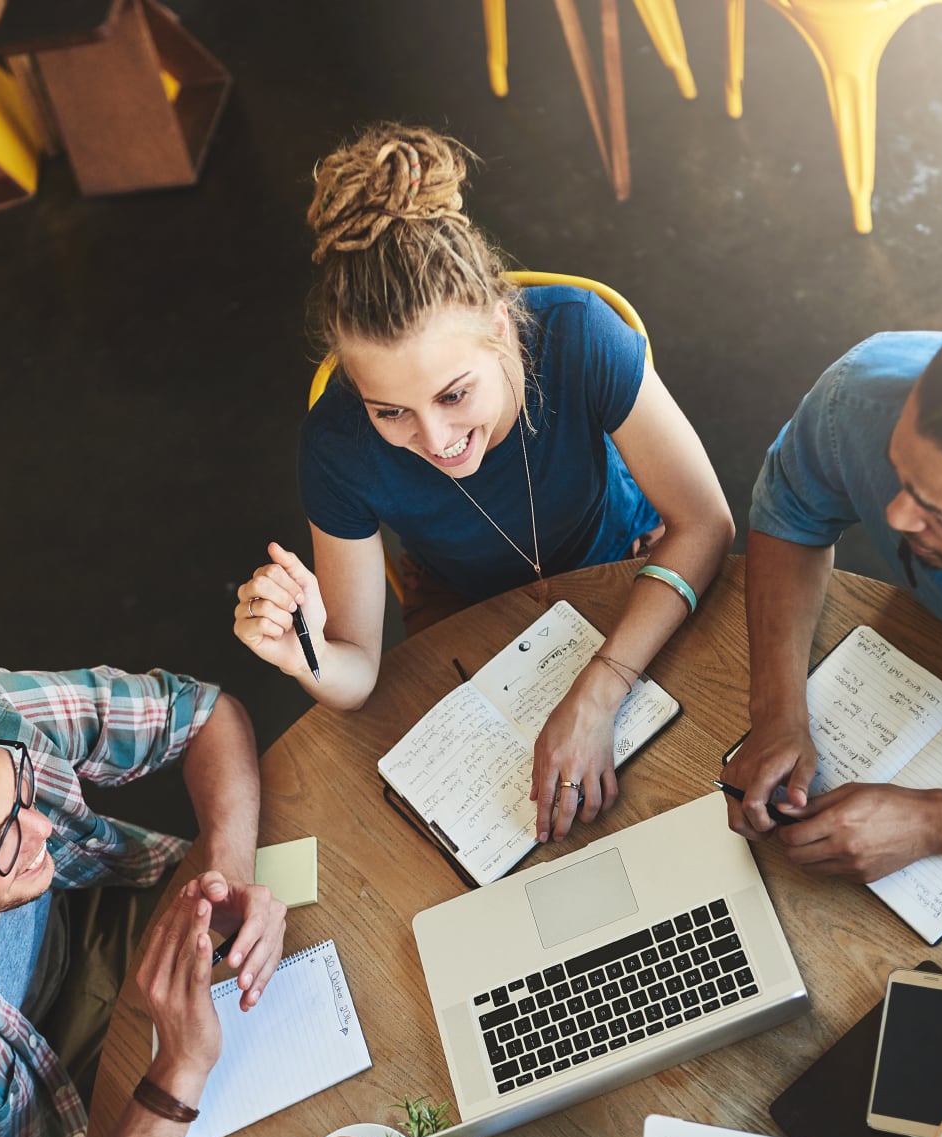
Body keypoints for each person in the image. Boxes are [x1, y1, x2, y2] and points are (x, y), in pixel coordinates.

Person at [234, 123, 734, 843]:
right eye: (390, 411)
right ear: (354, 385)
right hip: (467, 610)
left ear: (502, 327)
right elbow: (358, 670)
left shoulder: (579, 338)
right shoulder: (337, 449)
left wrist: (598, 690)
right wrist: (302, 651)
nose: (435, 442)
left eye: (454, 394)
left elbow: (705, 524)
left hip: (625, 558)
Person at [0, 665, 287, 1137]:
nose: (43, 828)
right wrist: (180, 1072)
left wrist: (229, 873)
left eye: (20, 788)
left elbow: (204, 713)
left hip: (104, 912)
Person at [722, 315, 942, 882]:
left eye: (936, 513)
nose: (892, 516)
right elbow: (793, 516)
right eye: (898, 468)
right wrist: (776, 714)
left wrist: (936, 824)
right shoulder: (862, 398)